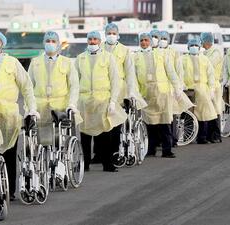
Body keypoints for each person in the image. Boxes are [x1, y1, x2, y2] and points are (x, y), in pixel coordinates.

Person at [0, 30, 38, 200]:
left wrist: (31, 108)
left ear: (2, 43)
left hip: (9, 116)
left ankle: (8, 190)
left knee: (8, 153)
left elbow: (26, 87)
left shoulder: (12, 63)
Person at [75, 30, 127, 172]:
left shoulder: (108, 58)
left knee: (104, 133)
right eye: (90, 39)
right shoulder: (80, 58)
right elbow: (74, 82)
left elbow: (115, 81)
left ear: (99, 41)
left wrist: (112, 101)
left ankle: (107, 164)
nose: (92, 42)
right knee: (85, 134)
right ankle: (84, 164)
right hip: (85, 101)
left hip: (102, 100)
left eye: (95, 39)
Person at [96, 23, 146, 163]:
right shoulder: (100, 49)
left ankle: (114, 153)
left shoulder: (124, 50)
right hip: (104, 90)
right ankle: (99, 154)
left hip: (120, 90)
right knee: (102, 123)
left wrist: (130, 92)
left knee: (117, 123)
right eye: (109, 32)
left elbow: (130, 73)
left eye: (113, 33)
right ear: (105, 34)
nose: (111, 35)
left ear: (117, 35)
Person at [28, 31, 80, 146]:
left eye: (53, 41)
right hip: (40, 107)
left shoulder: (67, 63)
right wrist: (30, 107)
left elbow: (74, 86)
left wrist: (71, 104)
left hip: (60, 108)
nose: (50, 43)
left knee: (60, 141)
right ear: (43, 43)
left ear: (58, 44)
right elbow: (28, 87)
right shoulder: (35, 62)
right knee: (42, 141)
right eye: (47, 41)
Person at [134, 33, 181, 158]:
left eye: (146, 40)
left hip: (162, 92)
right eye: (142, 40)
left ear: (150, 41)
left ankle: (167, 150)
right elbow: (133, 77)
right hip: (146, 94)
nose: (144, 42)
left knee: (164, 122)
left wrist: (177, 87)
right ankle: (151, 149)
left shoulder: (161, 54)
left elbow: (170, 71)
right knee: (150, 123)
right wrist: (135, 93)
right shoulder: (135, 57)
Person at [159, 31, 194, 146]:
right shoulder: (155, 52)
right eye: (161, 38)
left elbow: (179, 70)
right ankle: (161, 140)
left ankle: (172, 139)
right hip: (160, 88)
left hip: (172, 88)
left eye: (164, 38)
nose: (162, 40)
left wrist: (178, 87)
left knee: (172, 115)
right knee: (160, 116)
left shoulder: (174, 53)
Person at [181, 38, 217, 144]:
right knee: (187, 114)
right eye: (191, 45)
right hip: (188, 89)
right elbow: (180, 73)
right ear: (188, 47)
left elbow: (211, 75)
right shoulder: (183, 59)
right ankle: (186, 137)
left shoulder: (205, 59)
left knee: (203, 114)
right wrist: (181, 85)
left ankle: (202, 137)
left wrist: (211, 89)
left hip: (202, 89)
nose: (194, 47)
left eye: (196, 45)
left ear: (199, 47)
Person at [200, 32, 223, 142]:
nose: (201, 44)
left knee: (215, 110)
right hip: (207, 85)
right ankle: (210, 135)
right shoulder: (205, 53)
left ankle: (216, 135)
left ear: (206, 41)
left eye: (202, 41)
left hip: (215, 85)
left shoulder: (216, 52)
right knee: (209, 110)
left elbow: (208, 64)